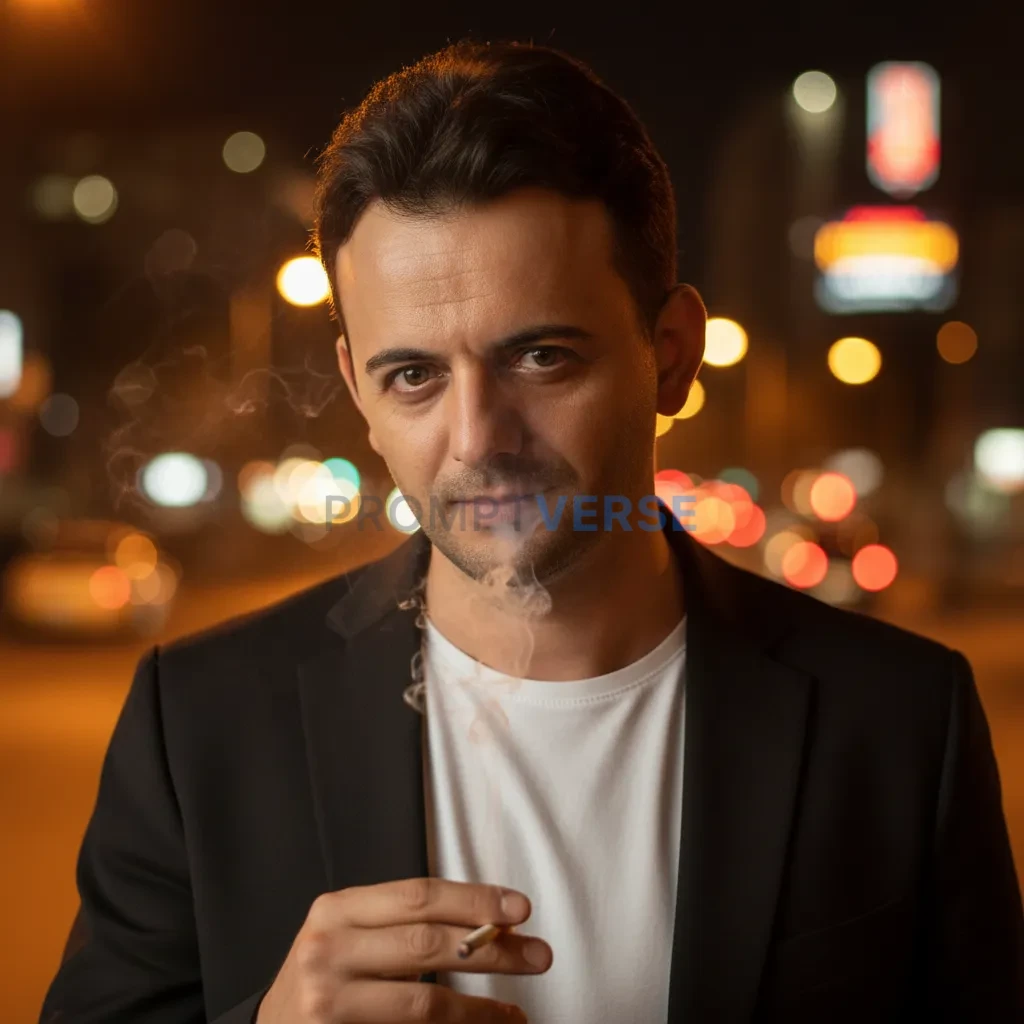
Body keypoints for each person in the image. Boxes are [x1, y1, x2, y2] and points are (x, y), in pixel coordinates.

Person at [41, 40, 1023, 1024]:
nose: (476, 440)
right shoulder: (200, 722)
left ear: (669, 356)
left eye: (542, 356)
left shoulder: (898, 724)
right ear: (360, 393)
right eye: (414, 375)